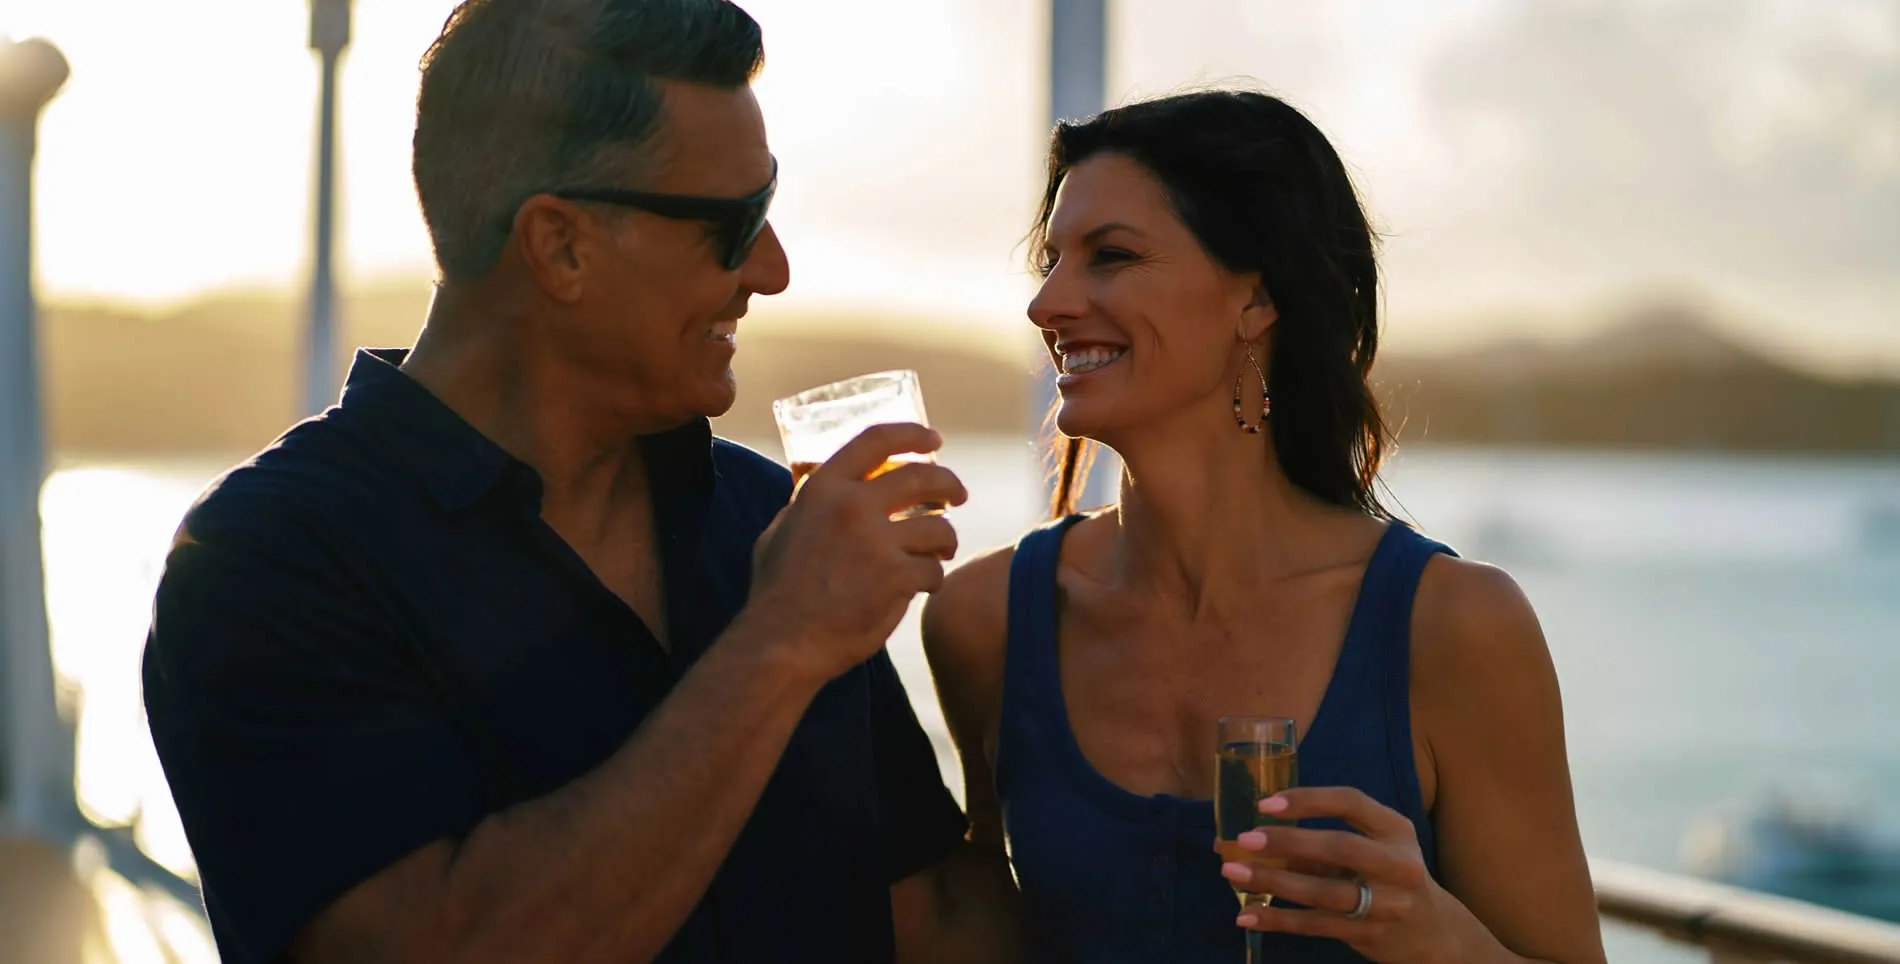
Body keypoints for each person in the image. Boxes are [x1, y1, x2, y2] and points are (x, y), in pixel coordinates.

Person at [140, 2, 1021, 962]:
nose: (772, 272)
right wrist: (778, 647)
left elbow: (928, 917)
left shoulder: (765, 519)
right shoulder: (267, 563)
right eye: (735, 226)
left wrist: (1066, 719)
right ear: (560, 245)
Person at [923, 89, 1608, 963]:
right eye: (1051, 262)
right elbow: (976, 927)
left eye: (1111, 256)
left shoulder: (1454, 629)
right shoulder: (985, 620)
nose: (1046, 305)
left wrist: (1438, 938)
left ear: (1255, 299)